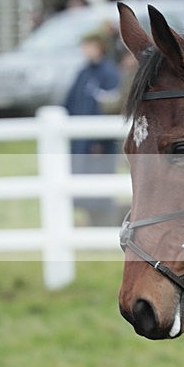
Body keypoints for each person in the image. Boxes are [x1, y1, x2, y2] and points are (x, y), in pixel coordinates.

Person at [64, 30, 120, 226]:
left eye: (88, 46)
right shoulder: (83, 72)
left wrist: (99, 140)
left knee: (99, 187)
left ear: (99, 47)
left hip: (98, 145)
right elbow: (69, 103)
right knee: (80, 185)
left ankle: (103, 226)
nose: (84, 50)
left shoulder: (109, 74)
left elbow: (110, 109)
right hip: (79, 142)